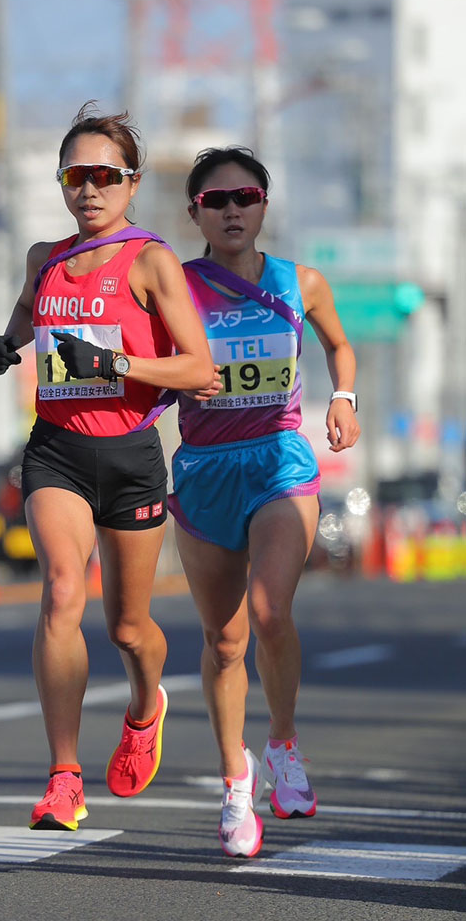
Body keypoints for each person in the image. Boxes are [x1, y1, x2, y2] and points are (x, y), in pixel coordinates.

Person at [0, 102, 213, 831]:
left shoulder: (151, 261)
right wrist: (7, 345)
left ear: (132, 183)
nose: (89, 190)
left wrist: (117, 364)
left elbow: (199, 368)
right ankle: (64, 778)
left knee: (128, 627)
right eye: (75, 176)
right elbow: (30, 313)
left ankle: (146, 708)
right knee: (60, 592)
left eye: (105, 176)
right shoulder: (44, 257)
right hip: (56, 450)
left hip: (131, 457)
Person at [169, 146, 360, 858]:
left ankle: (282, 741)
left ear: (263, 206)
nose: (232, 211)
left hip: (279, 460)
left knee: (269, 611)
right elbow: (145, 367)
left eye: (244, 197)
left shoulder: (299, 282)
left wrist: (344, 397)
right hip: (204, 471)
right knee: (224, 641)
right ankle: (234, 779)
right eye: (215, 201)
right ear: (194, 212)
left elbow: (339, 345)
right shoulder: (174, 287)